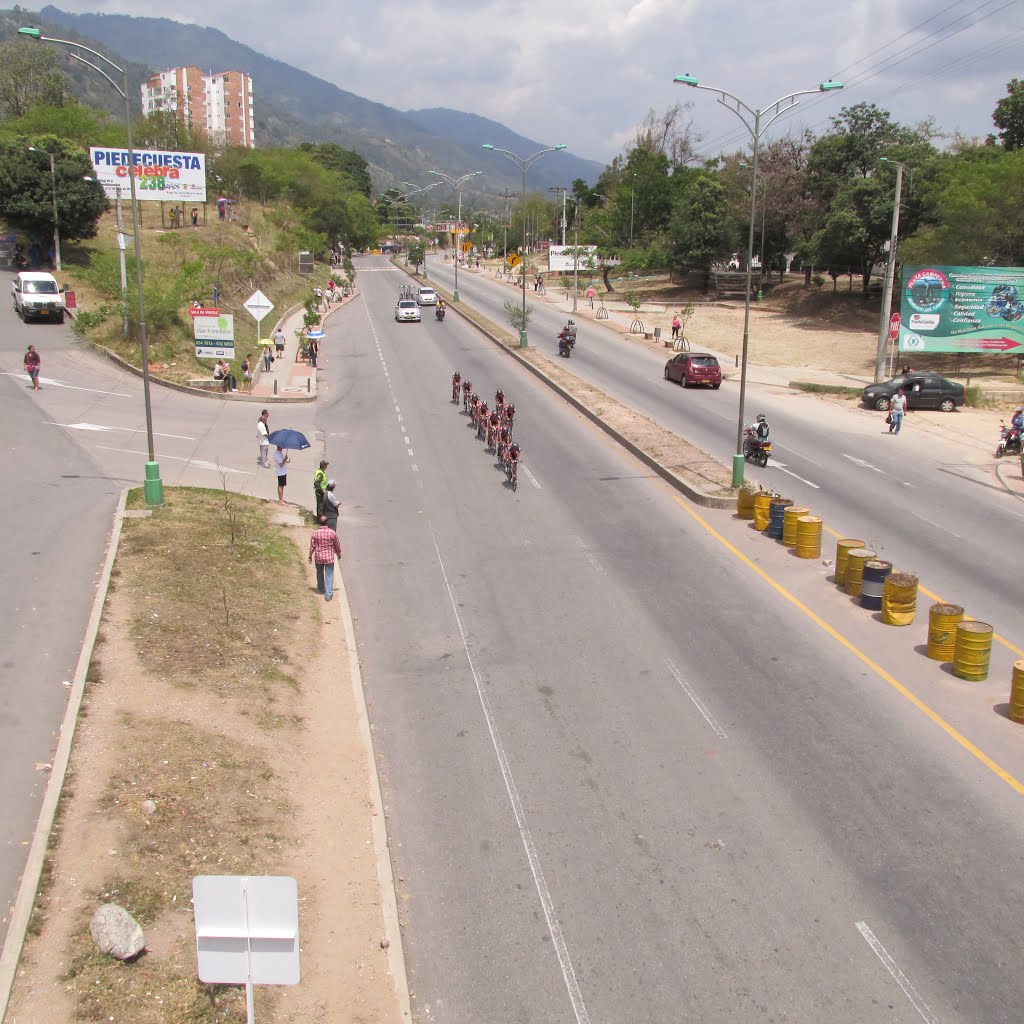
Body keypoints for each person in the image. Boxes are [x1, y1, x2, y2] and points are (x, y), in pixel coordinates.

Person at [309, 515, 342, 601]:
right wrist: (339, 553)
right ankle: (328, 594)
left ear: (320, 523)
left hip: (319, 557)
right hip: (329, 558)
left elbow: (312, 547)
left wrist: (310, 556)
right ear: (327, 522)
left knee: (319, 573)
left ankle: (321, 588)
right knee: (329, 575)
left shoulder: (315, 533)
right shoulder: (332, 533)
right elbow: (337, 545)